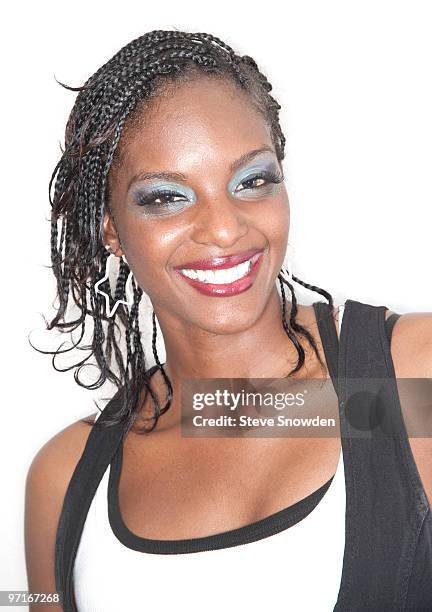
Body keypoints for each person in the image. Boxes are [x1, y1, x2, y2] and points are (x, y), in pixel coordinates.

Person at [24, 30, 432, 611]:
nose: (223, 228)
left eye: (253, 181)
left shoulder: (408, 383)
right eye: (165, 197)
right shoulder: (67, 479)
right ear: (111, 229)